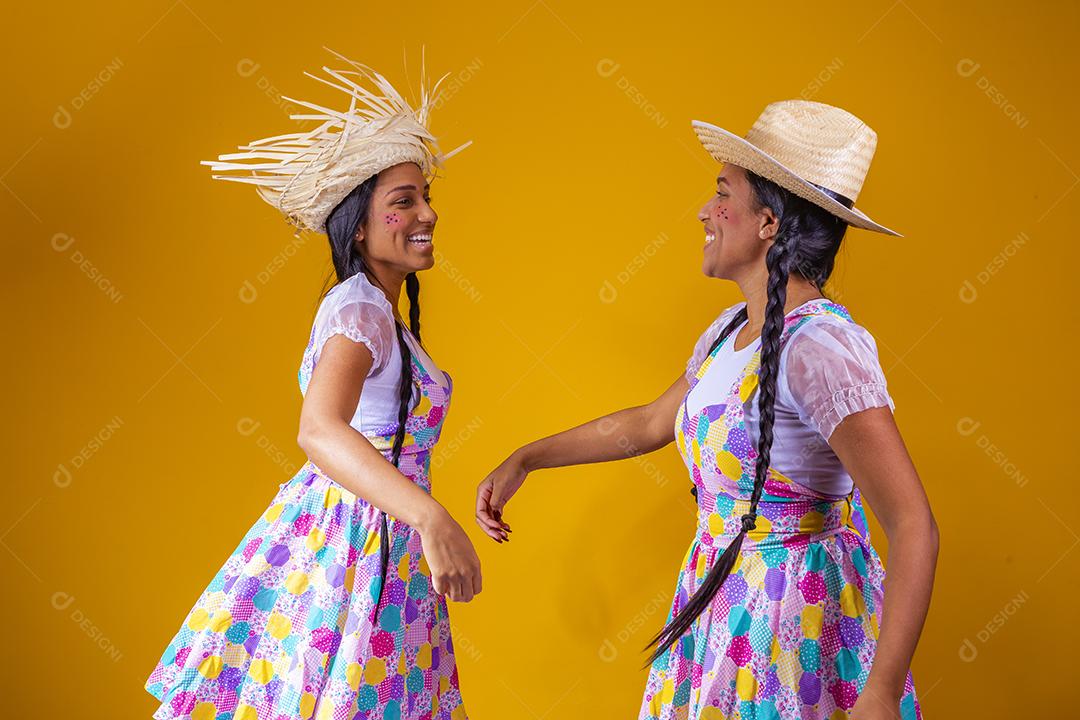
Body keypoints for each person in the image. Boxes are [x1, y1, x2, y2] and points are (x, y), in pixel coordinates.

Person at [476, 100, 937, 719]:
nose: (704, 210)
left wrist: (879, 693)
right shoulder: (727, 334)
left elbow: (913, 525)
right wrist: (526, 458)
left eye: (723, 194)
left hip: (798, 624)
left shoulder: (819, 347)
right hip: (722, 607)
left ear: (769, 222)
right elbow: (645, 425)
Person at [145, 48, 479, 720]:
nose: (427, 214)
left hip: (380, 545)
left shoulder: (378, 311)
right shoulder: (359, 308)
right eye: (403, 201)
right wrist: (430, 515)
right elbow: (319, 428)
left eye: (427, 197)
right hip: (355, 549)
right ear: (358, 224)